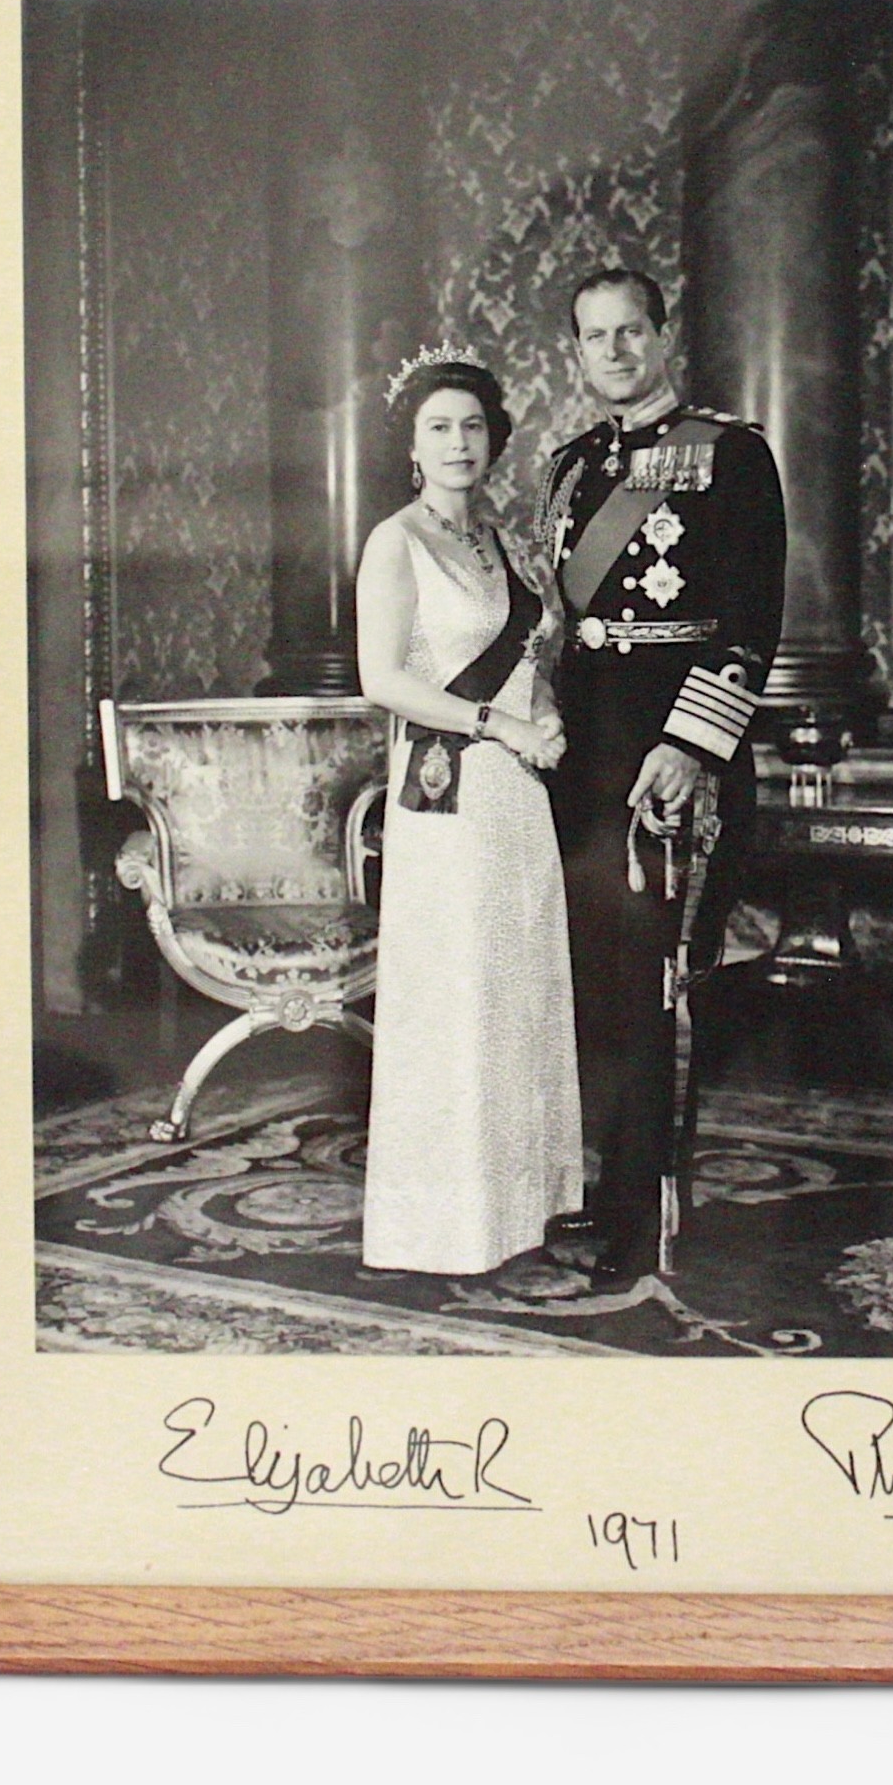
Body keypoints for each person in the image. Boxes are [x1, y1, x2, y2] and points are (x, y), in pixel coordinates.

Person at [539, 268, 786, 1285]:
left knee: (648, 983)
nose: (615, 351)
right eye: (595, 336)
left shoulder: (731, 456)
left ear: (663, 336)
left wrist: (690, 748)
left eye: (631, 331)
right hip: (580, 746)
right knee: (586, 983)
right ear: (577, 351)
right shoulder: (567, 467)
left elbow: (748, 622)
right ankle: (587, 1181)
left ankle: (632, 1210)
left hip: (670, 750)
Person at [355, 342, 584, 1275]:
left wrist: (547, 714)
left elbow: (531, 655)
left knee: (516, 987)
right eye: (439, 427)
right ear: (412, 443)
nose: (459, 443)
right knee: (456, 997)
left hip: (516, 795)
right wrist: (499, 722)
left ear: (494, 442)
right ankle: (444, 1226)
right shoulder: (394, 540)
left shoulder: (498, 542)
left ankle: (521, 1211)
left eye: (473, 427)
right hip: (445, 796)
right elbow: (384, 679)